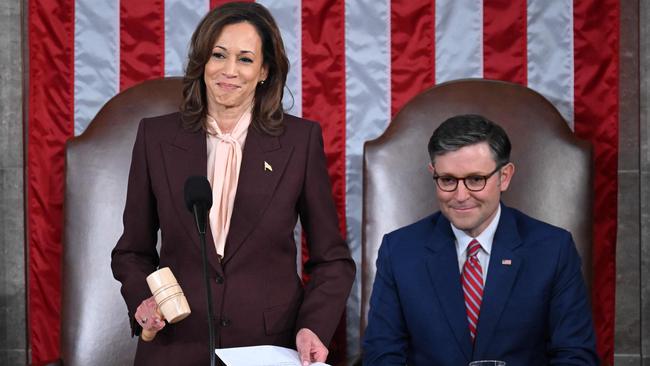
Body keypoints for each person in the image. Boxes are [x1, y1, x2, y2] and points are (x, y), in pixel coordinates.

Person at [111, 3, 355, 365]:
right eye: (219, 55)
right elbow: (132, 252)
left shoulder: (299, 142)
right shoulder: (155, 137)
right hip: (175, 345)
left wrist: (313, 326)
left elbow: (332, 261)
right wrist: (142, 301)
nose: (229, 71)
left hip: (267, 345)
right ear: (202, 63)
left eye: (244, 59)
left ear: (264, 71)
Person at [362, 114, 599, 365]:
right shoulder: (399, 250)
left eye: (476, 179)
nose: (461, 196)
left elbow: (575, 356)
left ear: (504, 177)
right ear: (434, 174)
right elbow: (382, 354)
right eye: (448, 180)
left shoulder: (553, 249)